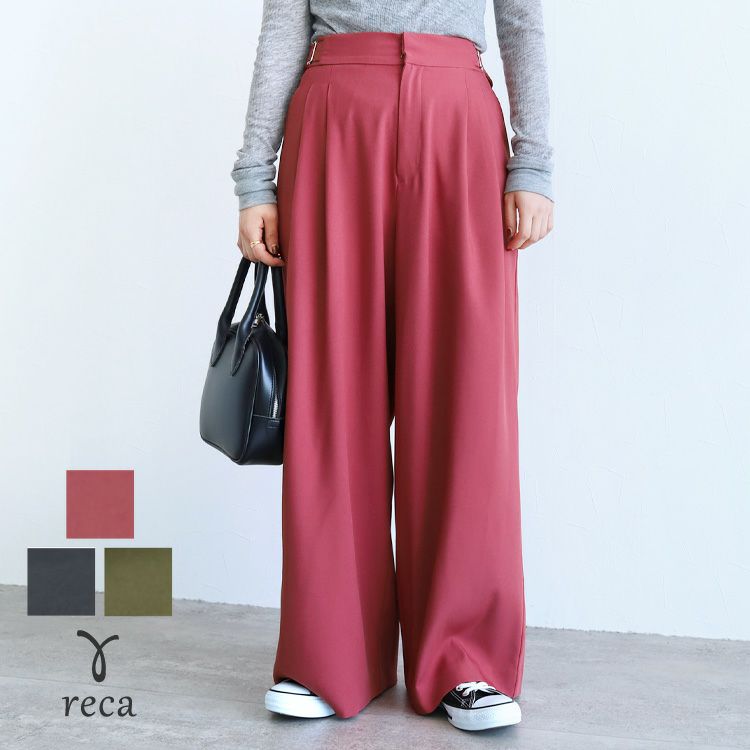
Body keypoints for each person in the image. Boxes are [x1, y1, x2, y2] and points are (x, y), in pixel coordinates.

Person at [231, 0, 553, 733]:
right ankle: (328, 655)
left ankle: (465, 659)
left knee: (465, 398)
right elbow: (283, 22)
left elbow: (522, 19)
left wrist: (532, 162)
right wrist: (255, 176)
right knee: (332, 397)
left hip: (458, 122)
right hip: (335, 120)